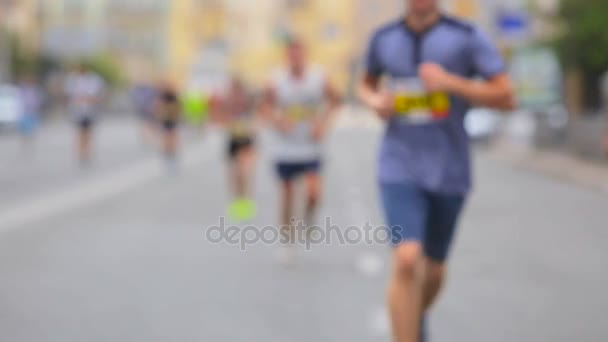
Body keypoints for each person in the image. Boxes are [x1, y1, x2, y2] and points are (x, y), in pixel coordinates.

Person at [357, 1, 515, 341]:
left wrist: (452, 84)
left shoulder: (466, 36)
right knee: (406, 258)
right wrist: (375, 102)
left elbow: (506, 95)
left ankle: (413, 312)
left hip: (449, 168)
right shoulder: (383, 38)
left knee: (434, 269)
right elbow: (365, 84)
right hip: (398, 164)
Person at [261, 37, 341, 264]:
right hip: (285, 146)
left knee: (314, 192)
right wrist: (278, 120)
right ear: (286, 56)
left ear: (305, 55)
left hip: (310, 146)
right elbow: (264, 107)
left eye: (299, 53)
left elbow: (335, 100)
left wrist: (322, 123)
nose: (295, 58)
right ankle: (287, 241)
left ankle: (308, 219)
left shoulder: (318, 77)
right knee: (286, 194)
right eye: (291, 54)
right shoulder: (276, 80)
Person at [210, 76, 257, 221]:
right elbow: (218, 117)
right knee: (234, 174)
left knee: (244, 173)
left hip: (246, 140)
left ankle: (245, 201)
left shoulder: (248, 104)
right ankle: (237, 201)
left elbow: (257, 119)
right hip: (233, 140)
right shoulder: (227, 104)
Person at [64, 64, 105, 165]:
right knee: (80, 132)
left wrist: (91, 99)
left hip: (90, 110)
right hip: (78, 111)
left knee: (88, 132)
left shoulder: (94, 79)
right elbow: (69, 95)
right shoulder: (73, 80)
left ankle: (86, 151)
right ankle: (80, 152)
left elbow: (99, 94)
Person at [154, 80, 181, 172]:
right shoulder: (163, 96)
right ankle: (168, 155)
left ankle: (171, 155)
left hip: (171, 120)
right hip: (166, 120)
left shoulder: (172, 96)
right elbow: (158, 107)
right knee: (167, 138)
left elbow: (177, 108)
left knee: (170, 138)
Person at [17, 74, 44, 144]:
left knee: (32, 126)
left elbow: (37, 99)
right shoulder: (23, 90)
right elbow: (20, 100)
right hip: (25, 111)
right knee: (25, 127)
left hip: (32, 110)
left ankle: (30, 138)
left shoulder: (34, 89)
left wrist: (37, 106)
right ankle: (25, 139)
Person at [130, 79, 158, 146]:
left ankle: (148, 137)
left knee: (148, 123)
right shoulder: (142, 91)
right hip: (146, 109)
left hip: (148, 109)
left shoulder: (145, 90)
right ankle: (147, 137)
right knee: (146, 123)